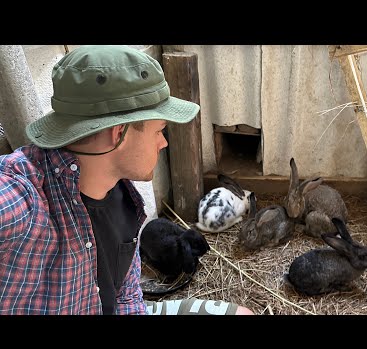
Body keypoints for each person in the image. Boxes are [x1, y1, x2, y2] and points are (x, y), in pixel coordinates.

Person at [0, 45, 254, 315]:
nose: (163, 143)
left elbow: (126, 296)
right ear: (119, 133)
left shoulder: (124, 197)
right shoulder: (22, 196)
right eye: (159, 130)